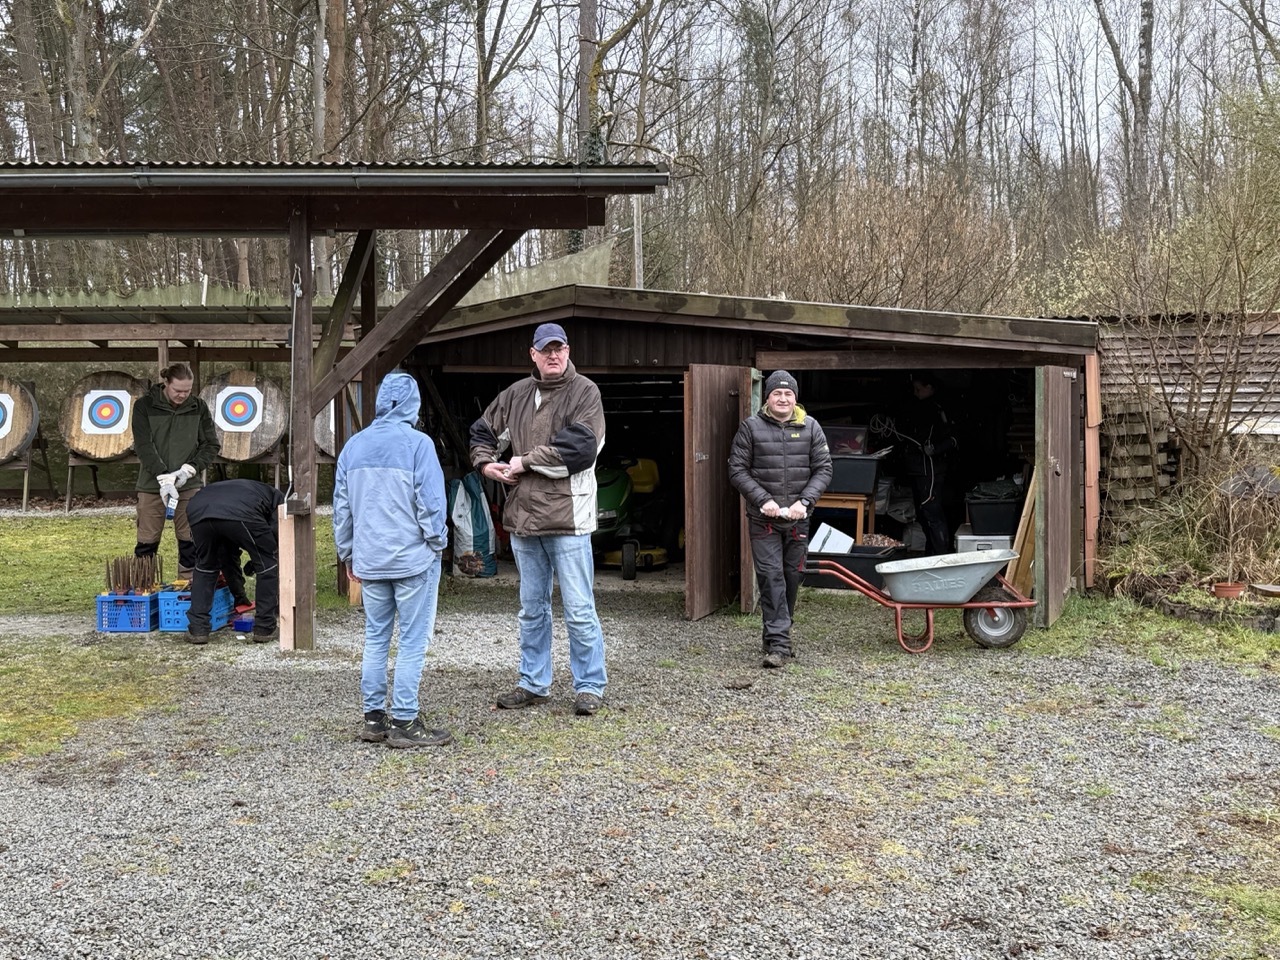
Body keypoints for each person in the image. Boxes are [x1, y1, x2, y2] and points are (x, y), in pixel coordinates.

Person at [469, 322, 609, 717]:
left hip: (568, 520)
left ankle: (590, 686)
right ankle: (533, 682)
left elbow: (581, 449)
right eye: (545, 349)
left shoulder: (585, 392)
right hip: (524, 521)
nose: (553, 355)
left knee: (579, 609)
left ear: (568, 351)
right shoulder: (515, 395)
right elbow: (482, 432)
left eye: (559, 348)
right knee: (532, 610)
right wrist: (486, 465)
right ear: (533, 354)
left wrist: (523, 461)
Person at [334, 371, 451, 749]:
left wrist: (347, 553)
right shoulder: (419, 444)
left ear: (381, 402)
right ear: (413, 405)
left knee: (376, 636)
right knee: (412, 640)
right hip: (413, 560)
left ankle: (374, 719)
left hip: (370, 559)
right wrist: (438, 542)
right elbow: (431, 502)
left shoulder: (353, 446)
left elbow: (342, 508)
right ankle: (404, 720)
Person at [728, 370, 832, 668]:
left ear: (795, 398)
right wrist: (764, 500)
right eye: (777, 393)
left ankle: (774, 633)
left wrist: (805, 501)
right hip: (764, 521)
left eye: (788, 394)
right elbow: (737, 470)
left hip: (798, 519)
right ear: (768, 398)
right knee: (771, 577)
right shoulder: (751, 428)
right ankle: (780, 645)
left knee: (791, 577)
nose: (783, 398)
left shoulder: (811, 427)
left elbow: (824, 469)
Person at [131, 362, 220, 581]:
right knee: (147, 541)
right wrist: (164, 476)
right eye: (177, 390)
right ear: (166, 383)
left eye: (187, 391)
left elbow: (210, 445)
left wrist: (189, 470)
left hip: (188, 486)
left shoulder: (198, 407)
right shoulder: (144, 406)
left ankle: (189, 586)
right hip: (151, 485)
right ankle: (143, 588)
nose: (183, 395)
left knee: (190, 539)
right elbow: (143, 445)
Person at [184, 478, 285, 645]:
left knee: (206, 567)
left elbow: (228, 559)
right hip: (241, 512)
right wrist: (259, 559)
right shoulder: (278, 498)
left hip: (198, 510)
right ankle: (265, 628)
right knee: (267, 565)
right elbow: (276, 536)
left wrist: (240, 597)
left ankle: (198, 629)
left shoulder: (247, 489)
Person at [897, 373, 958, 555]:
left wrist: (935, 449)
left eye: (918, 389)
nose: (915, 393)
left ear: (930, 387)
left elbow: (953, 438)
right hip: (917, 469)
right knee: (923, 513)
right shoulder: (916, 407)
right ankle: (931, 553)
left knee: (932, 512)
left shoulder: (939, 409)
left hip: (931, 469)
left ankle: (940, 554)